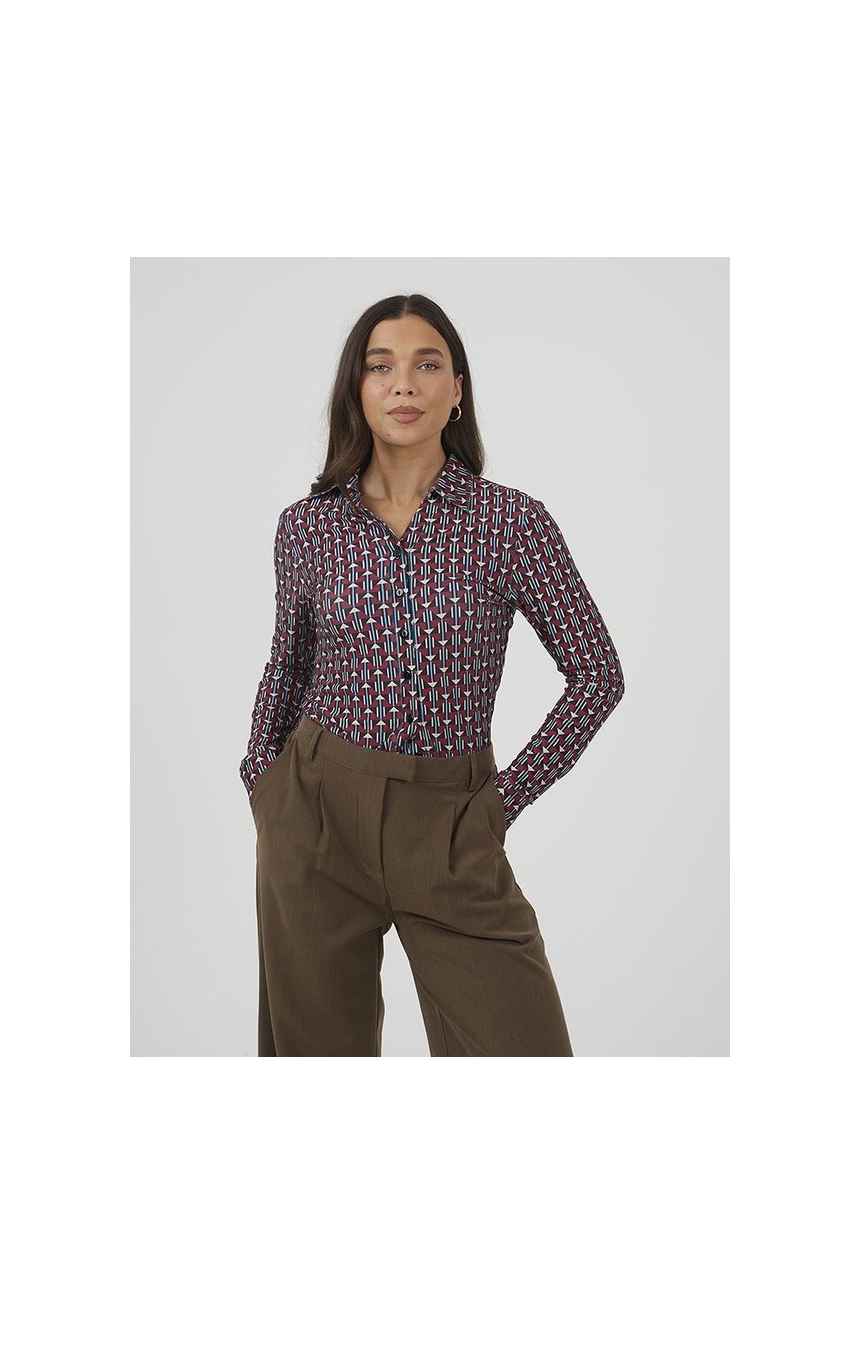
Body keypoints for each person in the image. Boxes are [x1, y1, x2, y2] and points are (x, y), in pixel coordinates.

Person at [239, 293, 625, 1056]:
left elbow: (597, 673)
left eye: (426, 364)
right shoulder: (308, 527)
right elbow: (288, 664)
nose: (404, 385)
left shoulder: (511, 523)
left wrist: (498, 805)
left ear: (457, 390)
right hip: (316, 817)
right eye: (380, 367)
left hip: (452, 823)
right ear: (357, 389)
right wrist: (264, 784)